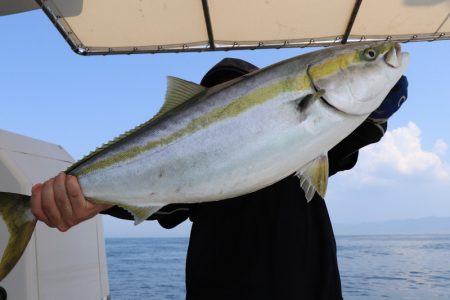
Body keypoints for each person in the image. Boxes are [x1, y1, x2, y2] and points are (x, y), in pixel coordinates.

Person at [31, 58, 408, 300]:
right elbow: (152, 199)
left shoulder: (310, 145)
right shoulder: (193, 175)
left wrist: (377, 105)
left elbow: (354, 130)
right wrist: (86, 198)